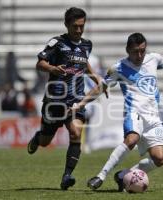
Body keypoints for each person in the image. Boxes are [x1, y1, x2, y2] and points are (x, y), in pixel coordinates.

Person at [71, 32, 163, 191]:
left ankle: (122, 175)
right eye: (135, 51)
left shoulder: (153, 58)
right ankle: (100, 176)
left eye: (142, 50)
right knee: (131, 139)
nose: (139, 55)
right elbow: (100, 87)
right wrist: (81, 103)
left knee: (159, 159)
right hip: (133, 113)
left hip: (153, 118)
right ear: (127, 50)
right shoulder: (119, 68)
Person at [26, 7, 104, 190]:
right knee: (46, 141)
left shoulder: (87, 45)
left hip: (75, 100)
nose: (79, 30)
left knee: (76, 132)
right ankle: (38, 138)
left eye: (81, 26)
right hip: (54, 101)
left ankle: (67, 176)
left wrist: (97, 79)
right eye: (75, 26)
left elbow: (84, 66)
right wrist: (51, 69)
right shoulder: (57, 43)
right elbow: (40, 63)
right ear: (66, 25)